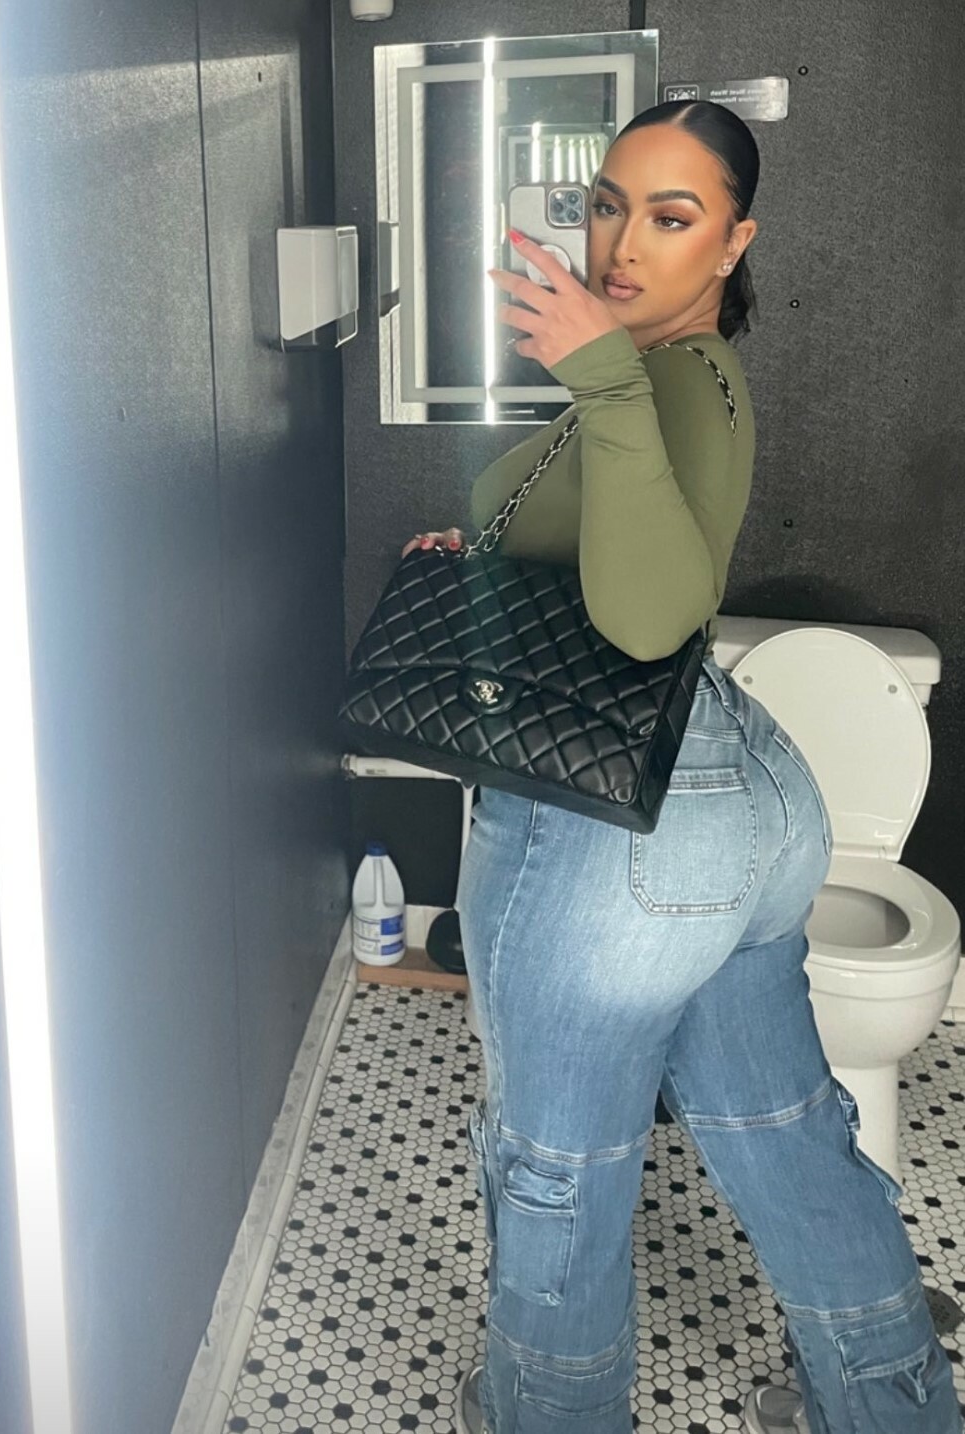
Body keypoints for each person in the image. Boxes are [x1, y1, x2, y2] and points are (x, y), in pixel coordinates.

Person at [402, 101, 960, 1434]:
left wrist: (598, 378)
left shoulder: (670, 379)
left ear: (733, 242)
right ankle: (895, 1410)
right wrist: (490, 556)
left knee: (555, 1164)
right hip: (736, 812)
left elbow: (653, 618)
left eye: (671, 214)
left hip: (623, 830)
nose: (621, 242)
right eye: (607, 205)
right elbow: (623, 554)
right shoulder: (653, 380)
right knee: (786, 1133)